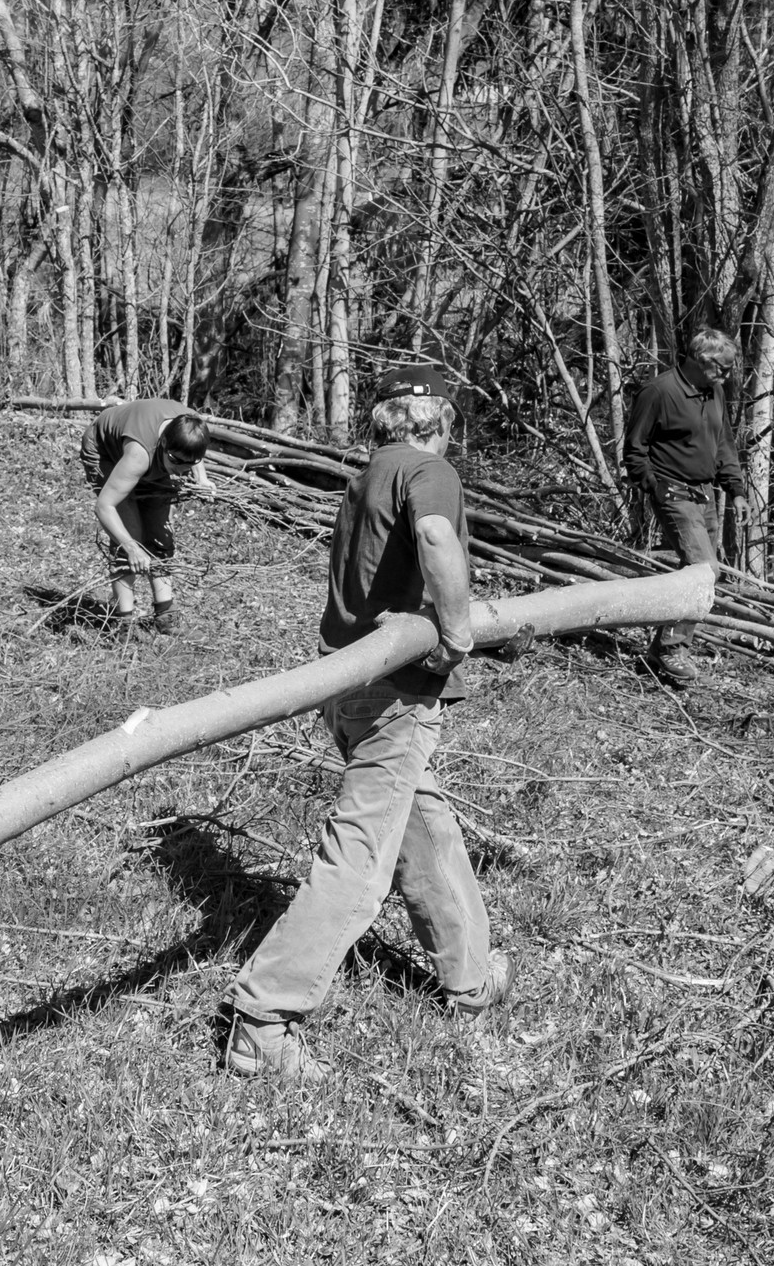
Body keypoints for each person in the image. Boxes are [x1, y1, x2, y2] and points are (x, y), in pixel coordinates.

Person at [222, 363, 516, 1081]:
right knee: (362, 857)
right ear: (440, 420)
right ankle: (264, 1017)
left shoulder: (368, 476)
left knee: (428, 830)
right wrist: (455, 634)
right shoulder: (428, 469)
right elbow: (440, 542)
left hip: (349, 686)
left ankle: (471, 980)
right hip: (393, 693)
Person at [623, 327, 744, 688]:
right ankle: (671, 648)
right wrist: (655, 488)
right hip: (674, 494)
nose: (726, 375)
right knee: (703, 570)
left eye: (728, 369)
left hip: (705, 494)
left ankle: (663, 647)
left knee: (697, 570)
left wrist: (735, 488)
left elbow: (722, 443)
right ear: (699, 359)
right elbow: (634, 449)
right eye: (721, 368)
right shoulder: (660, 392)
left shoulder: (715, 392)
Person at [79, 397, 211, 635]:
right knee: (130, 534)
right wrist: (130, 546)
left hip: (154, 452)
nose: (181, 469)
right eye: (176, 462)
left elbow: (190, 454)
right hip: (106, 451)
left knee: (160, 535)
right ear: (162, 443)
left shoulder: (191, 427)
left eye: (188, 464)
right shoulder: (139, 454)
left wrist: (200, 477)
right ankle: (124, 624)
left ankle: (165, 616)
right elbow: (104, 506)